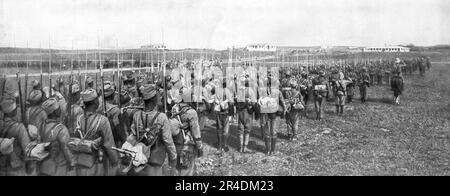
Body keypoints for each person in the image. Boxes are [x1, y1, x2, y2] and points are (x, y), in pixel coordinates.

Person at [129, 84, 177, 176]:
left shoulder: (137, 115)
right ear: (153, 99)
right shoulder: (161, 117)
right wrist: (173, 158)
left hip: (140, 158)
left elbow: (133, 134)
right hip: (155, 160)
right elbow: (168, 141)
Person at [72, 89, 118, 176]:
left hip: (80, 161)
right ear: (96, 102)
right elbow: (108, 143)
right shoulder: (102, 120)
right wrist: (115, 161)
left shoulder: (79, 118)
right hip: (96, 162)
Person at [38, 98, 75, 176]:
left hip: (43, 165)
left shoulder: (42, 125)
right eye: (58, 108)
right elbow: (65, 147)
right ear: (55, 112)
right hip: (58, 167)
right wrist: (71, 162)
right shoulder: (61, 128)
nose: (60, 110)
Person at [173, 87, 203, 176]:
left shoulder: (174, 108)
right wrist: (200, 147)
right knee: (187, 171)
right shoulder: (191, 112)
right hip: (187, 145)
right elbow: (195, 132)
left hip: (175, 144)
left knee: (177, 170)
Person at [0, 97, 32, 176]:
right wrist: (30, 165)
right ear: (12, 112)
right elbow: (27, 149)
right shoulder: (19, 127)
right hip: (16, 168)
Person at [259, 73, 286, 155]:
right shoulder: (277, 91)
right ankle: (272, 150)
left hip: (266, 113)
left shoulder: (263, 92)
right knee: (273, 132)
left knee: (268, 132)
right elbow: (283, 102)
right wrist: (284, 110)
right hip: (274, 113)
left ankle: (268, 150)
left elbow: (259, 102)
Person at [235, 77, 256, 153]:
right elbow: (253, 102)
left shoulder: (239, 91)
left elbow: (236, 101)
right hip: (248, 112)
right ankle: (245, 147)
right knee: (247, 130)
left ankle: (240, 147)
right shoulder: (251, 91)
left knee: (241, 130)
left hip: (240, 111)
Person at [213, 79, 234, 153]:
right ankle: (224, 145)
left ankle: (219, 146)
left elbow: (214, 101)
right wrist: (231, 114)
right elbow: (231, 103)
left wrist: (219, 102)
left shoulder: (217, 91)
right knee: (225, 130)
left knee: (219, 129)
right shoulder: (228, 91)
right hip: (226, 112)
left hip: (218, 111)